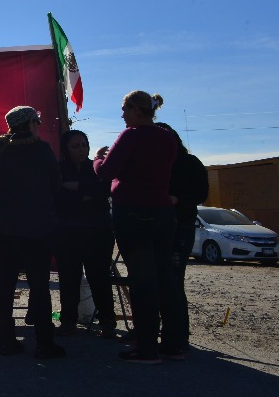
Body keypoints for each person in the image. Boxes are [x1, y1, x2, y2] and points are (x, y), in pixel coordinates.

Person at [94, 91, 180, 364]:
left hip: (133, 211)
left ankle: (145, 347)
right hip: (163, 212)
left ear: (136, 110)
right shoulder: (167, 137)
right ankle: (174, 344)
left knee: (142, 281)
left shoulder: (131, 135)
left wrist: (98, 159)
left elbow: (106, 172)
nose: (122, 115)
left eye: (125, 109)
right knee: (165, 278)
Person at [0, 105, 65, 359]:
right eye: (36, 121)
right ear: (28, 124)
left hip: (3, 230)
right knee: (39, 285)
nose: (38, 125)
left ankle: (6, 341)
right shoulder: (41, 149)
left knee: (5, 286)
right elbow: (56, 184)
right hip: (37, 229)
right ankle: (45, 343)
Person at [53, 129, 117, 337]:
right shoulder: (58, 169)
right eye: (75, 146)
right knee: (69, 278)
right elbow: (58, 196)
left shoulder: (96, 168)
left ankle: (108, 321)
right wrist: (86, 194)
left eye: (84, 145)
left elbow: (103, 192)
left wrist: (77, 187)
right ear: (66, 149)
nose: (81, 149)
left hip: (97, 231)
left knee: (99, 277)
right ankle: (68, 320)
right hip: (67, 233)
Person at [157, 121, 209, 354]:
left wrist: (178, 199)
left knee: (173, 282)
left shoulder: (189, 162)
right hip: (154, 226)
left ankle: (177, 340)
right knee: (156, 282)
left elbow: (201, 193)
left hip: (180, 226)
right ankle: (157, 334)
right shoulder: (152, 163)